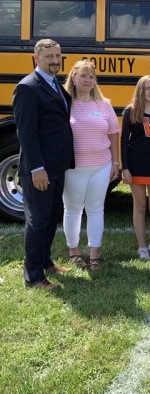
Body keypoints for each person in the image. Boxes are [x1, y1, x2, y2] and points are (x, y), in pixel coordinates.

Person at [13, 39, 74, 290]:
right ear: (36, 58)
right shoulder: (28, 87)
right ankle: (34, 277)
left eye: (58, 56)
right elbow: (26, 133)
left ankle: (46, 262)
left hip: (57, 166)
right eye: (49, 56)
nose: (55, 60)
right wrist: (37, 168)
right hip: (40, 168)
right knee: (37, 221)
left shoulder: (55, 84)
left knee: (51, 217)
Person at [62, 60, 120, 271]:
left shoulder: (104, 104)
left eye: (91, 76)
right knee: (73, 208)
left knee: (96, 209)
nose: (87, 80)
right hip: (73, 167)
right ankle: (74, 251)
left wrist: (115, 162)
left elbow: (114, 133)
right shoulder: (65, 104)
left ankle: (95, 253)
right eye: (83, 76)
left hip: (101, 166)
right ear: (74, 78)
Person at [121, 75, 150, 260]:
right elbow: (124, 141)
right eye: (148, 88)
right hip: (136, 165)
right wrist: (125, 167)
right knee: (140, 206)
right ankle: (142, 247)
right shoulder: (131, 111)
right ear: (141, 91)